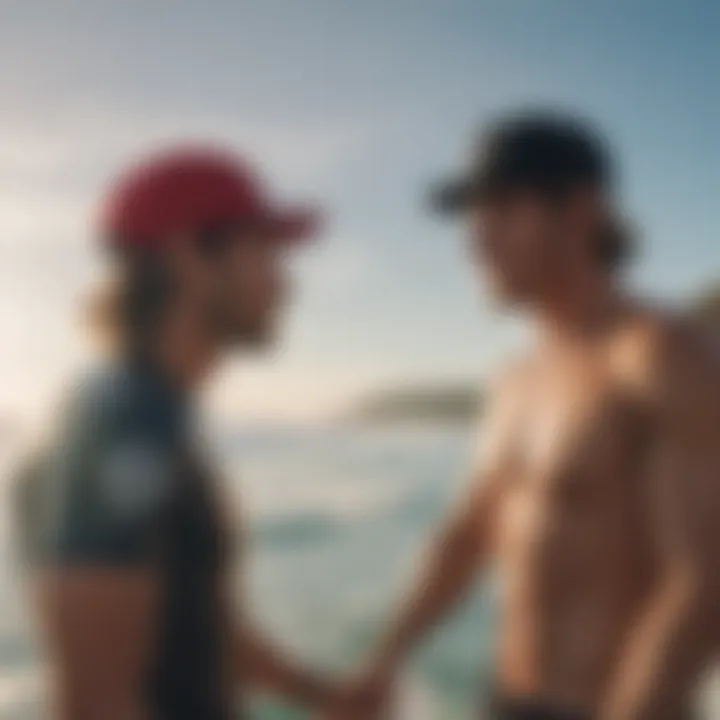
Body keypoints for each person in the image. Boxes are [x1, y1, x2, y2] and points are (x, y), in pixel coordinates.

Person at [336, 112, 720, 719]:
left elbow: (704, 582)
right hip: (509, 700)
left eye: (501, 209)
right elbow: (468, 534)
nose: (475, 239)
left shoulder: (661, 357)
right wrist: (384, 659)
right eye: (472, 216)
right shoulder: (513, 381)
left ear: (580, 208)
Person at [13, 147, 346, 719]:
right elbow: (96, 705)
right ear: (190, 254)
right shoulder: (126, 423)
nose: (284, 284)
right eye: (264, 251)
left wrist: (323, 696)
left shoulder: (146, 412)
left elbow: (197, 622)